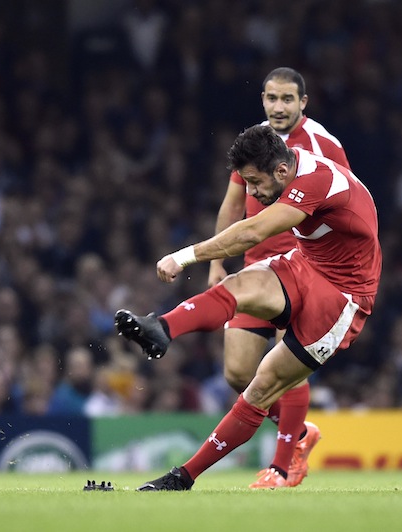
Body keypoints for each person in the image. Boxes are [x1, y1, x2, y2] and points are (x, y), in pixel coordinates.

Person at [115, 125, 381, 490]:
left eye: (254, 183)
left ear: (282, 172)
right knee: (238, 285)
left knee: (261, 386)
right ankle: (162, 327)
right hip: (308, 263)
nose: (251, 192)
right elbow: (240, 216)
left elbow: (252, 232)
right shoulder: (292, 168)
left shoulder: (315, 179)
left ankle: (185, 476)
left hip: (343, 296)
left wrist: (184, 257)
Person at [207, 67, 351, 488]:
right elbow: (234, 202)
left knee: (286, 367)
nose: (278, 106)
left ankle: (283, 465)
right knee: (237, 372)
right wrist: (218, 261)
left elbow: (346, 196)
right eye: (271, 98)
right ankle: (301, 432)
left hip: (304, 268)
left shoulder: (324, 144)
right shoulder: (254, 141)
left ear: (303, 102)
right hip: (256, 266)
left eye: (287, 99)